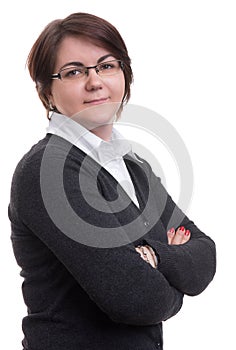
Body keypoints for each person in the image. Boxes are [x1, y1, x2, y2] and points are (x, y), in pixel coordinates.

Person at [8, 12, 216, 350]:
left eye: (107, 66)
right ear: (46, 92)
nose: (95, 82)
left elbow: (206, 252)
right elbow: (140, 300)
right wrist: (174, 278)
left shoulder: (132, 166)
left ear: (124, 74)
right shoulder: (49, 171)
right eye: (74, 72)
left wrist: (155, 259)